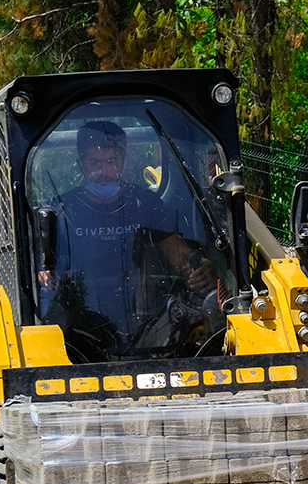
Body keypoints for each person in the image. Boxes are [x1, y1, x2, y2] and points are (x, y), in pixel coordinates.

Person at [41, 120, 219, 361]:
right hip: (80, 324)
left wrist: (200, 269)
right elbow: (44, 266)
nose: (103, 171)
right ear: (81, 165)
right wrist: (45, 274)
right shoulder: (60, 210)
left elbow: (177, 251)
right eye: (94, 162)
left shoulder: (146, 203)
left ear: (123, 162)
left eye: (110, 161)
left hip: (146, 321)